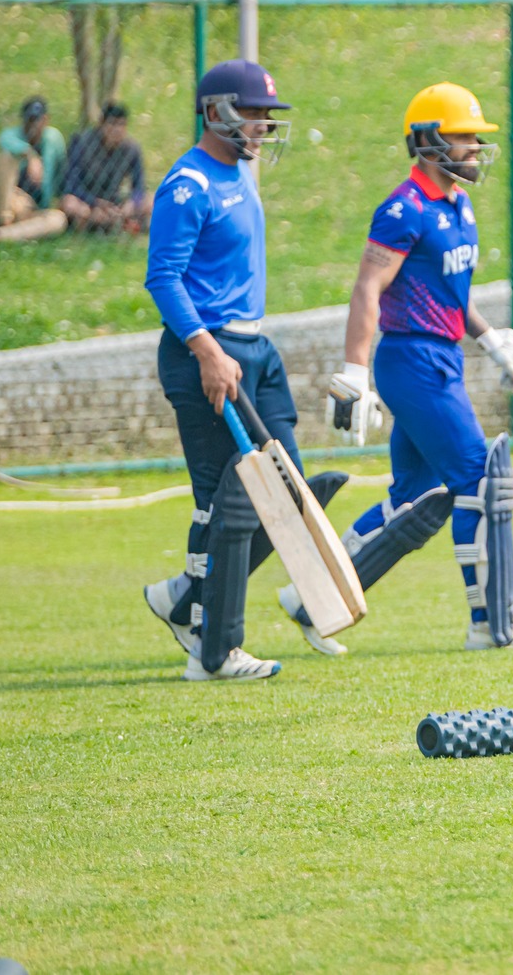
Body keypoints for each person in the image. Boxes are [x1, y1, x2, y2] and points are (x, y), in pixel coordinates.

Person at [291, 82, 513, 654]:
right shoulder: (402, 210)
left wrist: (493, 342)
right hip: (412, 361)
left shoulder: (458, 206)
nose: (475, 149)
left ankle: (311, 595)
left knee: (412, 492)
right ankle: (491, 622)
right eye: (465, 137)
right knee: (479, 481)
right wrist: (354, 371)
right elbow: (368, 288)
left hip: (442, 356)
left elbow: (451, 295)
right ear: (431, 140)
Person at [139, 61, 347, 682]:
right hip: (206, 355)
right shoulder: (188, 184)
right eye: (252, 113)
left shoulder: (237, 175)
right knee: (226, 501)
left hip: (254, 348)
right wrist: (207, 351)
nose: (262, 125)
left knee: (286, 486)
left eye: (267, 116)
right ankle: (212, 649)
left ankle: (182, 598)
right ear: (214, 112)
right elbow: (163, 278)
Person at [0, 96, 68, 244]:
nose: (32, 126)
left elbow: (60, 175)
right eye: (29, 120)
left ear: (46, 120)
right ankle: (3, 219)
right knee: (6, 158)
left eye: (37, 120)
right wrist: (30, 156)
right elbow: (5, 139)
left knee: (58, 219)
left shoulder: (54, 139)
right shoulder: (12, 135)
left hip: (26, 209)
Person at [60, 101, 150, 234]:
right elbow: (71, 184)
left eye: (121, 124)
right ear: (101, 125)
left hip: (115, 200)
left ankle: (116, 222)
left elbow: (139, 186)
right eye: (112, 124)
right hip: (87, 199)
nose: (117, 130)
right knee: (70, 203)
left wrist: (131, 203)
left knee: (152, 200)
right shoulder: (82, 142)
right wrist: (94, 202)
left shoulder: (131, 148)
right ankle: (95, 224)